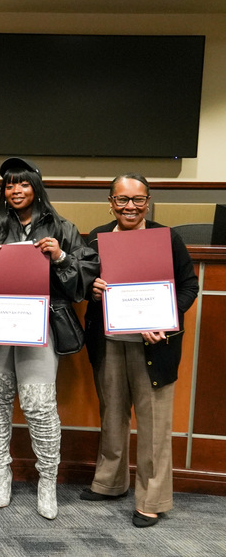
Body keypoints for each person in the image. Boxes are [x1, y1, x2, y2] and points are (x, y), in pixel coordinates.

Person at [0, 157, 99, 519]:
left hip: (40, 323)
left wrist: (61, 256)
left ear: (36, 187)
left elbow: (84, 278)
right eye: (9, 184)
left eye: (22, 183)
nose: (16, 190)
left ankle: (47, 481)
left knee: (39, 404)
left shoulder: (62, 227)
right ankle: (1, 475)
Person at [81, 173, 198, 528]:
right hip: (111, 343)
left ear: (148, 201)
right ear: (110, 202)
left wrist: (167, 319)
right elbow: (80, 283)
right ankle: (110, 482)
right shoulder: (97, 238)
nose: (130, 207)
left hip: (154, 346)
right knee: (112, 416)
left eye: (138, 200)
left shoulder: (167, 238)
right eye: (122, 199)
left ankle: (152, 500)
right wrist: (93, 288)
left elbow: (189, 286)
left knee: (154, 427)